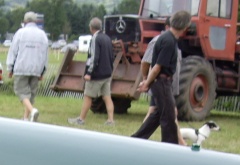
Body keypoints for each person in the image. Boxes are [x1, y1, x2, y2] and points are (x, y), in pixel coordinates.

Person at [130, 10, 191, 144]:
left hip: (160, 82)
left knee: (158, 115)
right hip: (162, 82)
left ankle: (136, 140)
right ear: (185, 26)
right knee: (168, 118)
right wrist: (146, 82)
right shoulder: (169, 41)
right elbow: (157, 67)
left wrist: (148, 81)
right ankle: (170, 147)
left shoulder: (166, 38)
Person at [68, 18, 115, 126]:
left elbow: (94, 57)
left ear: (91, 27)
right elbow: (111, 56)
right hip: (107, 73)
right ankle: (110, 120)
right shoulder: (107, 38)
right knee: (107, 97)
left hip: (97, 74)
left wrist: (89, 73)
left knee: (88, 96)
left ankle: (81, 119)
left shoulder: (95, 38)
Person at [6, 12, 49, 122]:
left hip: (21, 67)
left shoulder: (20, 33)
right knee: (31, 94)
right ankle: (26, 117)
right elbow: (45, 54)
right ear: (36, 21)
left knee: (21, 91)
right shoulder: (42, 35)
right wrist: (42, 71)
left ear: (25, 21)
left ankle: (32, 110)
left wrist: (10, 68)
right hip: (36, 68)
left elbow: (13, 51)